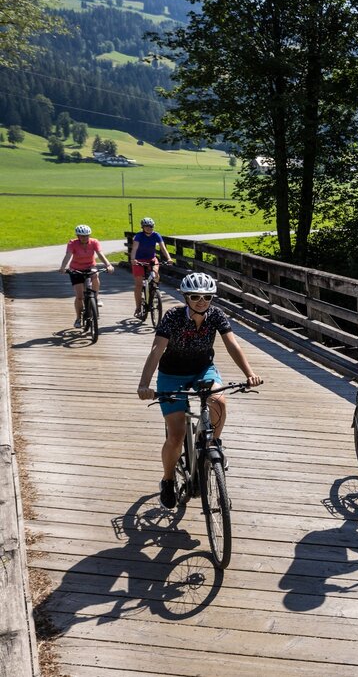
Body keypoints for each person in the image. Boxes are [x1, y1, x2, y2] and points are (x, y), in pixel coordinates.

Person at [136, 272, 263, 509]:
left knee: (219, 401)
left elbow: (232, 343)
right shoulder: (173, 316)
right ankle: (168, 479)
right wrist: (144, 384)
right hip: (171, 375)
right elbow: (156, 350)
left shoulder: (216, 315)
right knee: (176, 435)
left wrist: (249, 373)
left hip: (203, 370)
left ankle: (213, 444)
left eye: (207, 297)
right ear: (186, 297)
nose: (201, 301)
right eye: (195, 297)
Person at [58, 224, 114, 328]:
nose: (85, 238)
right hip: (76, 269)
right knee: (79, 297)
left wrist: (108, 265)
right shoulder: (72, 243)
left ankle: (96, 298)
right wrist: (63, 267)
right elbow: (68, 255)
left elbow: (100, 254)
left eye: (87, 236)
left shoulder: (94, 242)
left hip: (90, 266)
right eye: (82, 236)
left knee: (95, 274)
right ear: (78, 236)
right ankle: (78, 318)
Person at [129, 217, 172, 318]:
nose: (149, 228)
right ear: (143, 227)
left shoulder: (156, 235)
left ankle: (155, 288)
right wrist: (133, 259)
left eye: (151, 226)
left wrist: (169, 258)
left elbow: (163, 248)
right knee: (139, 284)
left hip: (151, 259)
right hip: (138, 260)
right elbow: (134, 248)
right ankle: (138, 308)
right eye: (147, 226)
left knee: (155, 273)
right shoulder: (138, 236)